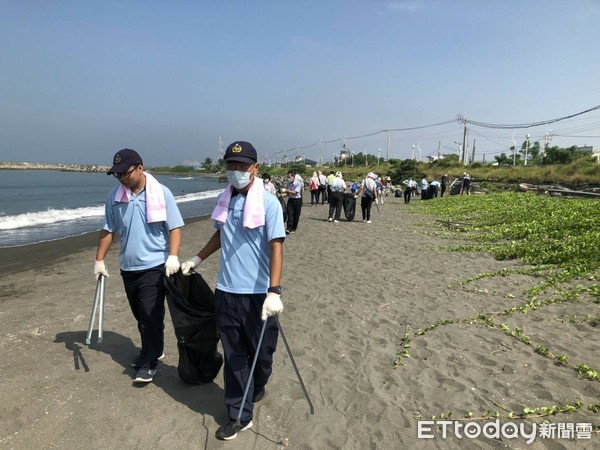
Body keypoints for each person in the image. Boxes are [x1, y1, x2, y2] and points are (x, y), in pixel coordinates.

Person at [180, 141, 285, 441]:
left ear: (255, 167)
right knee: (235, 355)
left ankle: (259, 381)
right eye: (231, 165)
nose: (236, 171)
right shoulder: (224, 200)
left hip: (258, 295)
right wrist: (197, 259)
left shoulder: (268, 203)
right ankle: (239, 414)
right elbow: (221, 233)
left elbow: (276, 246)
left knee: (263, 353)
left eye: (241, 165)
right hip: (226, 291)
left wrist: (274, 291)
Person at [94, 148, 184, 383]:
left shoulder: (161, 193)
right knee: (140, 315)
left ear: (140, 168)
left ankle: (149, 361)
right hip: (128, 267)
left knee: (150, 314)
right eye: (118, 174)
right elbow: (108, 230)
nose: (122, 177)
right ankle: (152, 349)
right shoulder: (115, 198)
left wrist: (173, 256)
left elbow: (174, 227)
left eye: (126, 172)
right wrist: (99, 260)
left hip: (155, 265)